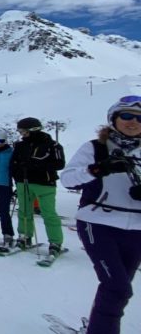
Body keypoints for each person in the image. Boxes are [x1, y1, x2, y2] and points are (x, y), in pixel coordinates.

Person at [60, 96, 141, 334]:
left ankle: (98, 327)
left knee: (118, 287)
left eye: (139, 118)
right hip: (98, 223)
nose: (133, 122)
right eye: (126, 116)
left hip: (136, 228)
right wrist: (97, 169)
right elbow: (68, 179)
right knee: (117, 287)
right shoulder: (95, 148)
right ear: (113, 119)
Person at [10, 117, 65, 255]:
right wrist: (17, 175)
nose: (22, 135)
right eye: (20, 132)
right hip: (24, 183)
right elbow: (14, 162)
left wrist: (35, 165)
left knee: (48, 213)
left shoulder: (53, 145)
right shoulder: (20, 145)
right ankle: (24, 236)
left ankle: (55, 242)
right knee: (24, 211)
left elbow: (59, 164)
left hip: (45, 184)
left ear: (34, 130)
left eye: (24, 132)